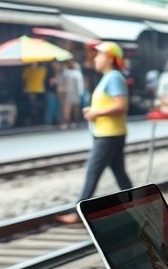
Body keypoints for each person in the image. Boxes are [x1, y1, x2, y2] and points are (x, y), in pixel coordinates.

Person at [57, 42, 133, 225]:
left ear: (109, 58)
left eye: (99, 55)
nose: (95, 58)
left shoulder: (114, 77)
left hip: (110, 134)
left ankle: (79, 213)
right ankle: (137, 203)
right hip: (107, 133)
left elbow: (120, 105)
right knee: (119, 173)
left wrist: (96, 113)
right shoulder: (109, 77)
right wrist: (94, 110)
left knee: (93, 170)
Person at [58, 59, 85, 129]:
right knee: (68, 109)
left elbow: (80, 84)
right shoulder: (66, 73)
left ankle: (74, 122)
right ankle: (68, 122)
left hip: (73, 93)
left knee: (74, 109)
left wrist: (80, 92)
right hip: (68, 93)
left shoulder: (76, 73)